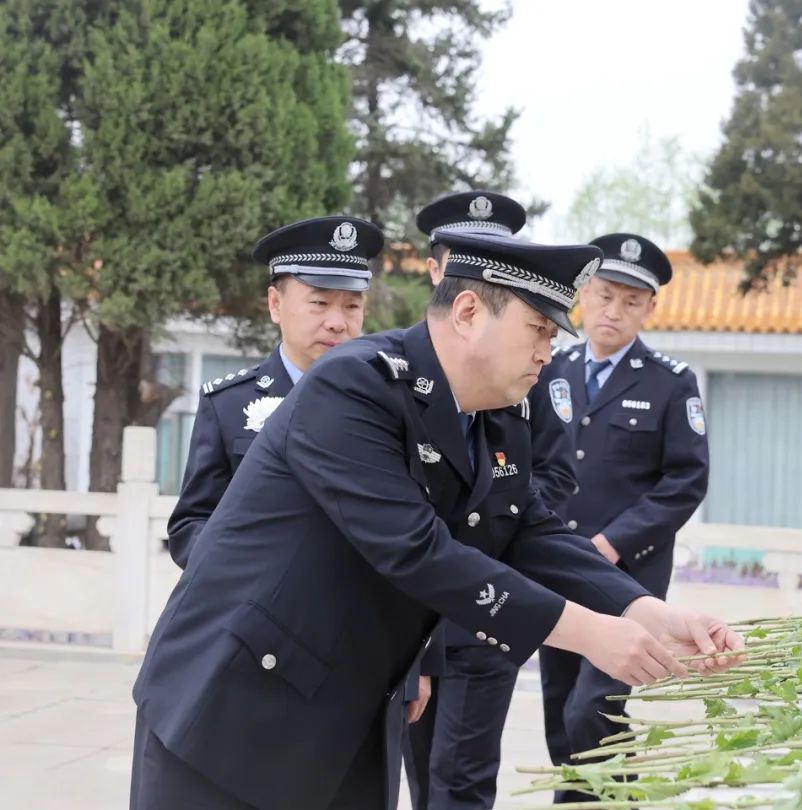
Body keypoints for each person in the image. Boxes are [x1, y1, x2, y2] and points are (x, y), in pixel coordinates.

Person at [129, 228, 744, 810]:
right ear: (470, 312)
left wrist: (646, 611)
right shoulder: (355, 386)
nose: (546, 353)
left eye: (553, 339)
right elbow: (416, 551)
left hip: (347, 713)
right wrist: (589, 634)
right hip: (234, 708)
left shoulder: (502, 412)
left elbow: (528, 529)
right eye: (536, 330)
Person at [405, 191, 578, 810]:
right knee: (418, 776)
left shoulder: (530, 379)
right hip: (417, 621)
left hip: (491, 608)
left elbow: (540, 491)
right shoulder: (387, 381)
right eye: (456, 260)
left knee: (464, 781)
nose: (543, 349)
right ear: (441, 280)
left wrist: (627, 614)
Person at [538, 232, 711, 803]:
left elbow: (685, 481)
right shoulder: (548, 368)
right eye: (605, 295)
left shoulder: (670, 382)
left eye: (631, 301)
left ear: (650, 307)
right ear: (584, 292)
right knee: (561, 710)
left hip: (628, 579)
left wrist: (613, 542)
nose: (613, 311)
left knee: (596, 704)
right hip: (555, 568)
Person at [167, 215, 378, 570]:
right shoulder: (229, 404)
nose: (338, 322)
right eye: (319, 303)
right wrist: (248, 568)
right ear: (275, 305)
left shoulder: (385, 402)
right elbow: (190, 525)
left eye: (352, 306)